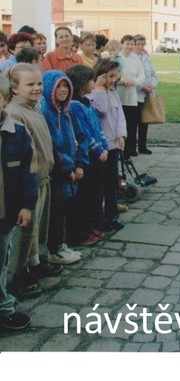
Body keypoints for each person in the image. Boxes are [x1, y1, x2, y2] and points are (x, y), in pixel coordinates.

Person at [5, 64, 62, 299]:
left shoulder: (33, 108)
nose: (37, 88)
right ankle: (17, 275)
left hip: (42, 177)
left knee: (38, 227)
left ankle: (34, 262)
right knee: (24, 233)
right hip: (28, 182)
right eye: (30, 84)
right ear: (14, 88)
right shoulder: (15, 113)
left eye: (39, 83)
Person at [0, 75, 38, 332]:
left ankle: (4, 308)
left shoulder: (17, 134)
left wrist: (26, 205)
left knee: (1, 261)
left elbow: (28, 172)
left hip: (5, 212)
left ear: (5, 100)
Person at [65, 64, 109, 247]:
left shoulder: (87, 103)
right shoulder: (75, 107)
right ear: (82, 82)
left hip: (99, 156)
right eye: (91, 80)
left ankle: (91, 225)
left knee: (94, 195)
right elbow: (84, 133)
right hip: (88, 157)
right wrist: (98, 150)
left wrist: (105, 146)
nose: (94, 83)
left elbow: (97, 127)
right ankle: (82, 231)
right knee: (84, 196)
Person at [41, 70, 82, 265]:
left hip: (69, 167)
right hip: (58, 171)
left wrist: (77, 163)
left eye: (66, 86)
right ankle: (54, 248)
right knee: (56, 211)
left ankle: (60, 244)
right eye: (59, 86)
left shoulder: (64, 111)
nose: (63, 90)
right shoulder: (48, 114)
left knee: (63, 208)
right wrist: (67, 168)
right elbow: (55, 145)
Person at [88, 59, 127, 232]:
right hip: (100, 146)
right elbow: (101, 110)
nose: (113, 80)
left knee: (112, 183)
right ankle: (98, 218)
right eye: (109, 76)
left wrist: (121, 135)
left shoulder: (114, 93)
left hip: (113, 144)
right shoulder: (94, 94)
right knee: (99, 184)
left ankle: (112, 214)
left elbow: (120, 116)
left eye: (115, 76)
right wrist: (99, 88)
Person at [115, 35, 145, 158]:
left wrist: (133, 81)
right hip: (119, 95)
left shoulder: (136, 60)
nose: (129, 46)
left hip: (132, 97)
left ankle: (129, 150)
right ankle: (119, 150)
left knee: (131, 125)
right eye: (127, 43)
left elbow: (142, 77)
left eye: (132, 44)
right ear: (122, 44)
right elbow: (113, 74)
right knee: (119, 124)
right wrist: (122, 80)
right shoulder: (117, 58)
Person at [133, 35, 158, 155]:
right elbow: (133, 77)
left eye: (142, 44)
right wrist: (142, 87)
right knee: (134, 122)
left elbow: (153, 74)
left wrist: (152, 85)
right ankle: (132, 146)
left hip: (147, 93)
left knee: (144, 121)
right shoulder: (132, 58)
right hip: (136, 93)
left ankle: (142, 146)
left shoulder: (146, 58)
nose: (140, 47)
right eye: (138, 44)